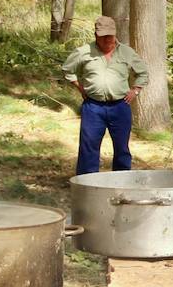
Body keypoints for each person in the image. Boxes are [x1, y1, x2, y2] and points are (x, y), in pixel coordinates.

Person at [62, 15, 150, 175]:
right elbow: (67, 69)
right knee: (88, 147)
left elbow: (143, 73)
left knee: (122, 148)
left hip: (120, 106)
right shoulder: (83, 52)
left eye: (111, 36)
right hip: (93, 107)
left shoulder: (127, 52)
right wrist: (79, 87)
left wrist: (135, 90)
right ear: (96, 36)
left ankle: (121, 182)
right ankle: (87, 183)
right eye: (104, 37)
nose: (108, 40)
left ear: (115, 34)